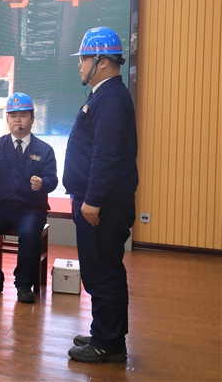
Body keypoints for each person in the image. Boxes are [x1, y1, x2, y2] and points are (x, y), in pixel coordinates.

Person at [64, 27, 138, 363]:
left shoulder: (109, 100)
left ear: (102, 61)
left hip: (102, 206)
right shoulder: (105, 96)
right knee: (99, 269)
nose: (79, 65)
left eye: (83, 59)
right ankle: (103, 332)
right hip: (98, 202)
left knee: (103, 271)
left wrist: (92, 199)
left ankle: (108, 344)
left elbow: (105, 155)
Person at [0, 92, 58, 304]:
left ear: (32, 118)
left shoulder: (44, 150)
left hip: (31, 209)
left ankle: (24, 284)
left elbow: (53, 179)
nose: (18, 120)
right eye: (13, 115)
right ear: (7, 119)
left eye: (23, 115)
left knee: (29, 235)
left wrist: (43, 183)